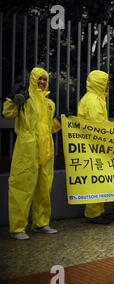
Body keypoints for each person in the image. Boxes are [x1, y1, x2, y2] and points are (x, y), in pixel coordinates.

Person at [3, 67, 61, 240]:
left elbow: (50, 128)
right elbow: (8, 113)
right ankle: (17, 228)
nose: (42, 82)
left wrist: (61, 120)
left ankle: (41, 223)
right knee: (22, 187)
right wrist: (12, 99)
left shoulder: (50, 103)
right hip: (27, 149)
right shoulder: (25, 99)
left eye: (45, 80)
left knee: (44, 188)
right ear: (33, 79)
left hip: (46, 149)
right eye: (39, 79)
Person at [77, 70, 114, 224]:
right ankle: (93, 214)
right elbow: (97, 126)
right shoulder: (92, 100)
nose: (108, 84)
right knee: (95, 180)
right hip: (93, 146)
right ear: (99, 82)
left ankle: (98, 211)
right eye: (106, 81)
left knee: (100, 180)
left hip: (97, 146)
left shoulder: (97, 98)